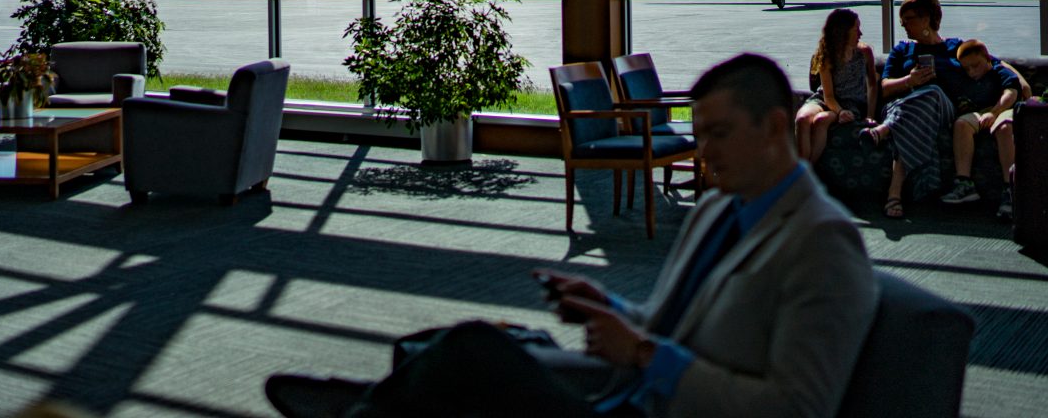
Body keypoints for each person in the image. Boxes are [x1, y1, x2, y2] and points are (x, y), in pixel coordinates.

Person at [265, 53, 877, 418]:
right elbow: (672, 324)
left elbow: (797, 411)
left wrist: (640, 355)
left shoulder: (822, 245)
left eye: (717, 133)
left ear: (774, 127)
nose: (702, 150)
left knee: (472, 352)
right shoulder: (723, 211)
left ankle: (360, 408)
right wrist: (610, 307)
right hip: (625, 397)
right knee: (456, 355)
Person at [860, 0, 962, 218]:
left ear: (927, 19)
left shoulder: (955, 47)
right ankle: (894, 194)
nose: (903, 25)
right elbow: (883, 89)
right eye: (902, 21)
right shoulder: (902, 50)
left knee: (932, 92)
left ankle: (884, 130)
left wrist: (1017, 83)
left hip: (941, 108)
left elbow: (991, 63)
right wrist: (909, 81)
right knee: (912, 116)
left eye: (909, 19)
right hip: (901, 107)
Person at [941, 39, 1021, 220]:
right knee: (961, 124)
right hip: (979, 113)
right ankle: (964, 183)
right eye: (967, 68)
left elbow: (1012, 93)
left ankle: (1011, 189)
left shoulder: (999, 71)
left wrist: (994, 113)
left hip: (1003, 110)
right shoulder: (964, 77)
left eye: (976, 66)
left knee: (1004, 127)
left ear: (987, 59)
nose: (972, 72)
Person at [795, 9, 878, 163]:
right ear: (843, 32)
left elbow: (872, 85)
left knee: (821, 120)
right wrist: (840, 111)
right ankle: (801, 173)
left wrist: (870, 116)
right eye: (856, 29)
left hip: (851, 102)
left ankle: (805, 173)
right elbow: (828, 96)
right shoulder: (827, 54)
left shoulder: (865, 52)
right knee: (802, 119)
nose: (860, 33)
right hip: (828, 99)